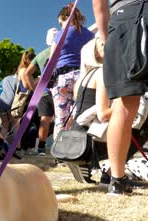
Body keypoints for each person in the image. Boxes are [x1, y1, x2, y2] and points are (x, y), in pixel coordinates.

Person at [92, 0, 148, 205]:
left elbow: (99, 6)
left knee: (122, 106)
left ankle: (116, 181)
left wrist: (108, 37)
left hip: (122, 20)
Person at [70, 37, 148, 184]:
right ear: (95, 54)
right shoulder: (102, 73)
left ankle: (90, 163)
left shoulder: (82, 78)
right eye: (103, 44)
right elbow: (103, 114)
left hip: (78, 136)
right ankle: (112, 171)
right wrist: (131, 105)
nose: (110, 44)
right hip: (91, 139)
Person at [50, 3, 95, 139]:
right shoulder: (90, 35)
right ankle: (77, 150)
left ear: (65, 18)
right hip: (83, 77)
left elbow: (52, 59)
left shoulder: (59, 35)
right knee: (79, 116)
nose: (60, 25)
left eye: (60, 22)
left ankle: (59, 154)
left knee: (61, 118)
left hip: (62, 78)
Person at [24, 28, 58, 155]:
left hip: (43, 92)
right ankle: (60, 148)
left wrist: (35, 89)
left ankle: (41, 148)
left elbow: (27, 73)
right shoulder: (62, 51)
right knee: (63, 119)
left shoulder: (40, 55)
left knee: (45, 120)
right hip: (60, 88)